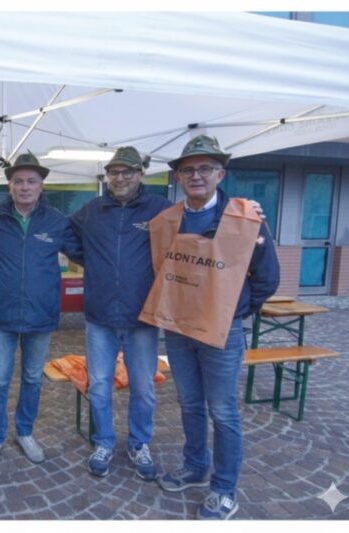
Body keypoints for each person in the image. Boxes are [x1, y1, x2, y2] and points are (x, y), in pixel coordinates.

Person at [153, 135, 279, 519]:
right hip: (178, 330)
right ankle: (195, 467)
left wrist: (235, 309)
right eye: (188, 169)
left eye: (205, 168)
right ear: (177, 177)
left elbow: (267, 277)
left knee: (223, 412)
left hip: (221, 332)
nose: (196, 175)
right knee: (190, 403)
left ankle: (224, 489)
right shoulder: (168, 220)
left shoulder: (245, 217)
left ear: (220, 174)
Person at [70, 146, 172, 481]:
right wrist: (94, 261)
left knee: (143, 387)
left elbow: (196, 227)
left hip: (142, 317)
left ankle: (139, 444)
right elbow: (68, 237)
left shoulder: (160, 209)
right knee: (99, 385)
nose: (121, 177)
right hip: (100, 316)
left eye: (128, 171)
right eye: (114, 172)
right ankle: (104, 443)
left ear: (141, 173)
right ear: (108, 176)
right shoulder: (92, 210)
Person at [0, 152, 83, 470]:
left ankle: (24, 432)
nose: (25, 187)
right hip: (3, 316)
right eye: (19, 181)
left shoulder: (57, 222)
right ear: (10, 186)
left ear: (41, 185)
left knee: (33, 379)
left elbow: (85, 254)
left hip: (41, 316)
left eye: (31, 181)